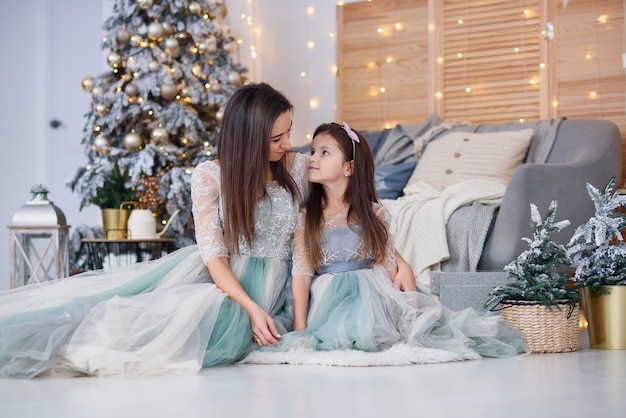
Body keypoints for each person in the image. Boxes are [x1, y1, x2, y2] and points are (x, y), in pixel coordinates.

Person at [0, 83, 415, 379]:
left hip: (282, 283)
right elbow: (213, 255)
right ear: (248, 139)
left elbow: (347, 201)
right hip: (224, 280)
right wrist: (252, 308)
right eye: (276, 137)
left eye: (290, 131)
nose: (288, 144)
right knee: (132, 329)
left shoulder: (296, 168)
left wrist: (396, 260)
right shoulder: (210, 177)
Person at [259, 122, 528, 362]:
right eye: (314, 151)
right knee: (335, 334)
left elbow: (387, 261)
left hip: (371, 291)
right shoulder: (307, 216)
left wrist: (410, 314)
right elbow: (302, 273)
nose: (312, 158)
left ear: (348, 167)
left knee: (389, 330)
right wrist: (300, 328)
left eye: (324, 152)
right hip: (328, 297)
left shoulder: (373, 212)